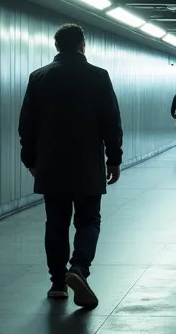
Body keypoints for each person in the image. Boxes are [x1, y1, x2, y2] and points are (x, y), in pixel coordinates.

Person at [18, 23, 122, 308]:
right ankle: (79, 268)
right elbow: (111, 121)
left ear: (57, 46)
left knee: (56, 222)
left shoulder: (39, 77)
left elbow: (27, 124)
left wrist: (30, 160)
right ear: (81, 45)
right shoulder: (98, 76)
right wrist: (114, 159)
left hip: (51, 164)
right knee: (88, 220)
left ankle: (57, 283)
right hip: (87, 163)